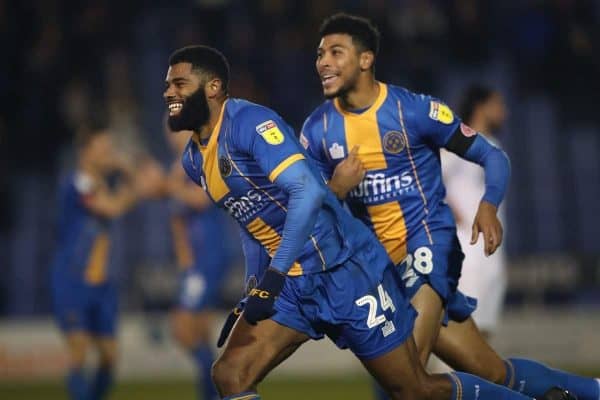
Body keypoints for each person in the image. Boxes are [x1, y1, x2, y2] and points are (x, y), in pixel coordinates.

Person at [163, 44, 552, 400]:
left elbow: (309, 194)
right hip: (299, 282)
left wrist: (274, 275)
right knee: (230, 375)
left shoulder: (250, 123)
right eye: (167, 84)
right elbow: (252, 224)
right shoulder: (195, 160)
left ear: (213, 87)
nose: (168, 92)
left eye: (179, 83)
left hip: (348, 270)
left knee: (416, 388)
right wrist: (254, 287)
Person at [301, 12, 597, 400]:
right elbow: (309, 208)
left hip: (427, 249)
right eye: (320, 53)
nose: (323, 61)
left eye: (336, 52)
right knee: (491, 370)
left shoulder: (414, 111)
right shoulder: (316, 130)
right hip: (379, 269)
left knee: (406, 377)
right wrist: (337, 188)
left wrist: (488, 204)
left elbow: (493, 157)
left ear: (366, 59)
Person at [50, 123, 151, 400]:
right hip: (73, 278)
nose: (109, 153)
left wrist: (129, 175)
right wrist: (129, 174)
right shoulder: (77, 181)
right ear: (86, 152)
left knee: (109, 357)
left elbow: (124, 197)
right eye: (103, 148)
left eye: (110, 148)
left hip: (101, 281)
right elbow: (112, 207)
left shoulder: (102, 183)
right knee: (79, 351)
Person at [165, 128, 234, 400]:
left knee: (181, 327)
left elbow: (203, 200)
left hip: (208, 257)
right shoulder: (178, 168)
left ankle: (219, 389)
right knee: (201, 331)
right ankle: (217, 391)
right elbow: (177, 221)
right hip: (196, 261)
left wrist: (169, 186)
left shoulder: (200, 161)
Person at [442, 85, 508, 338]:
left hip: (492, 251)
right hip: (468, 249)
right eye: (498, 105)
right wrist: (450, 210)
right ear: (481, 107)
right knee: (465, 330)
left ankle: (477, 379)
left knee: (486, 330)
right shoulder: (460, 141)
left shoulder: (494, 145)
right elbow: (430, 178)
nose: (504, 111)